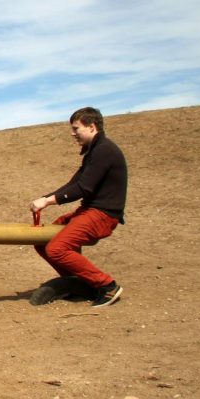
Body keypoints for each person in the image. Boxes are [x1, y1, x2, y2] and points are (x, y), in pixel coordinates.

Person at [29, 107, 128, 307]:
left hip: (103, 214)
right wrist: (44, 198)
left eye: (76, 128)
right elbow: (73, 184)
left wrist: (48, 201)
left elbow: (83, 188)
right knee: (41, 241)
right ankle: (81, 284)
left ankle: (107, 286)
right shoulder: (94, 152)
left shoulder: (104, 151)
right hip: (89, 211)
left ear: (92, 127)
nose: (72, 134)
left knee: (57, 248)